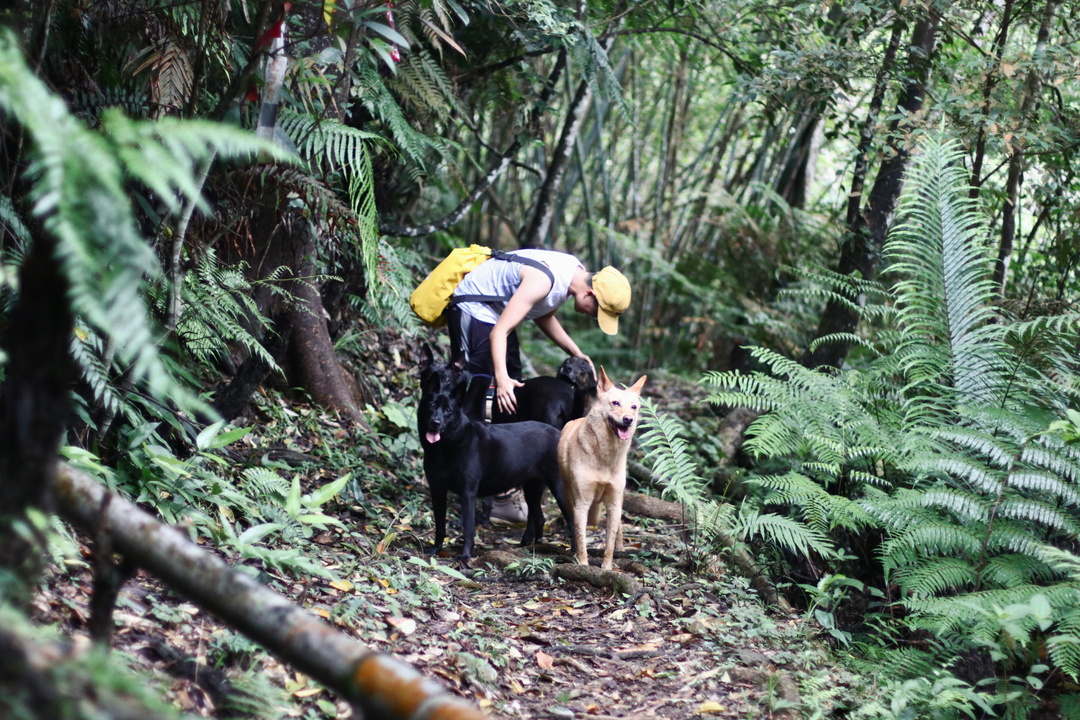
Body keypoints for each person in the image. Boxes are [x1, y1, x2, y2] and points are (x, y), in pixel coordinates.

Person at [447, 248, 631, 522]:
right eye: (596, 313)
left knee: (511, 401)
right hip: (474, 310)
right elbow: (499, 332)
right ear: (589, 294)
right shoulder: (545, 280)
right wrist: (501, 377)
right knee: (477, 399)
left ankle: (502, 494)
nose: (591, 317)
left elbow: (543, 315)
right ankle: (459, 485)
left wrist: (577, 352)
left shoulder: (570, 273)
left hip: (497, 318)